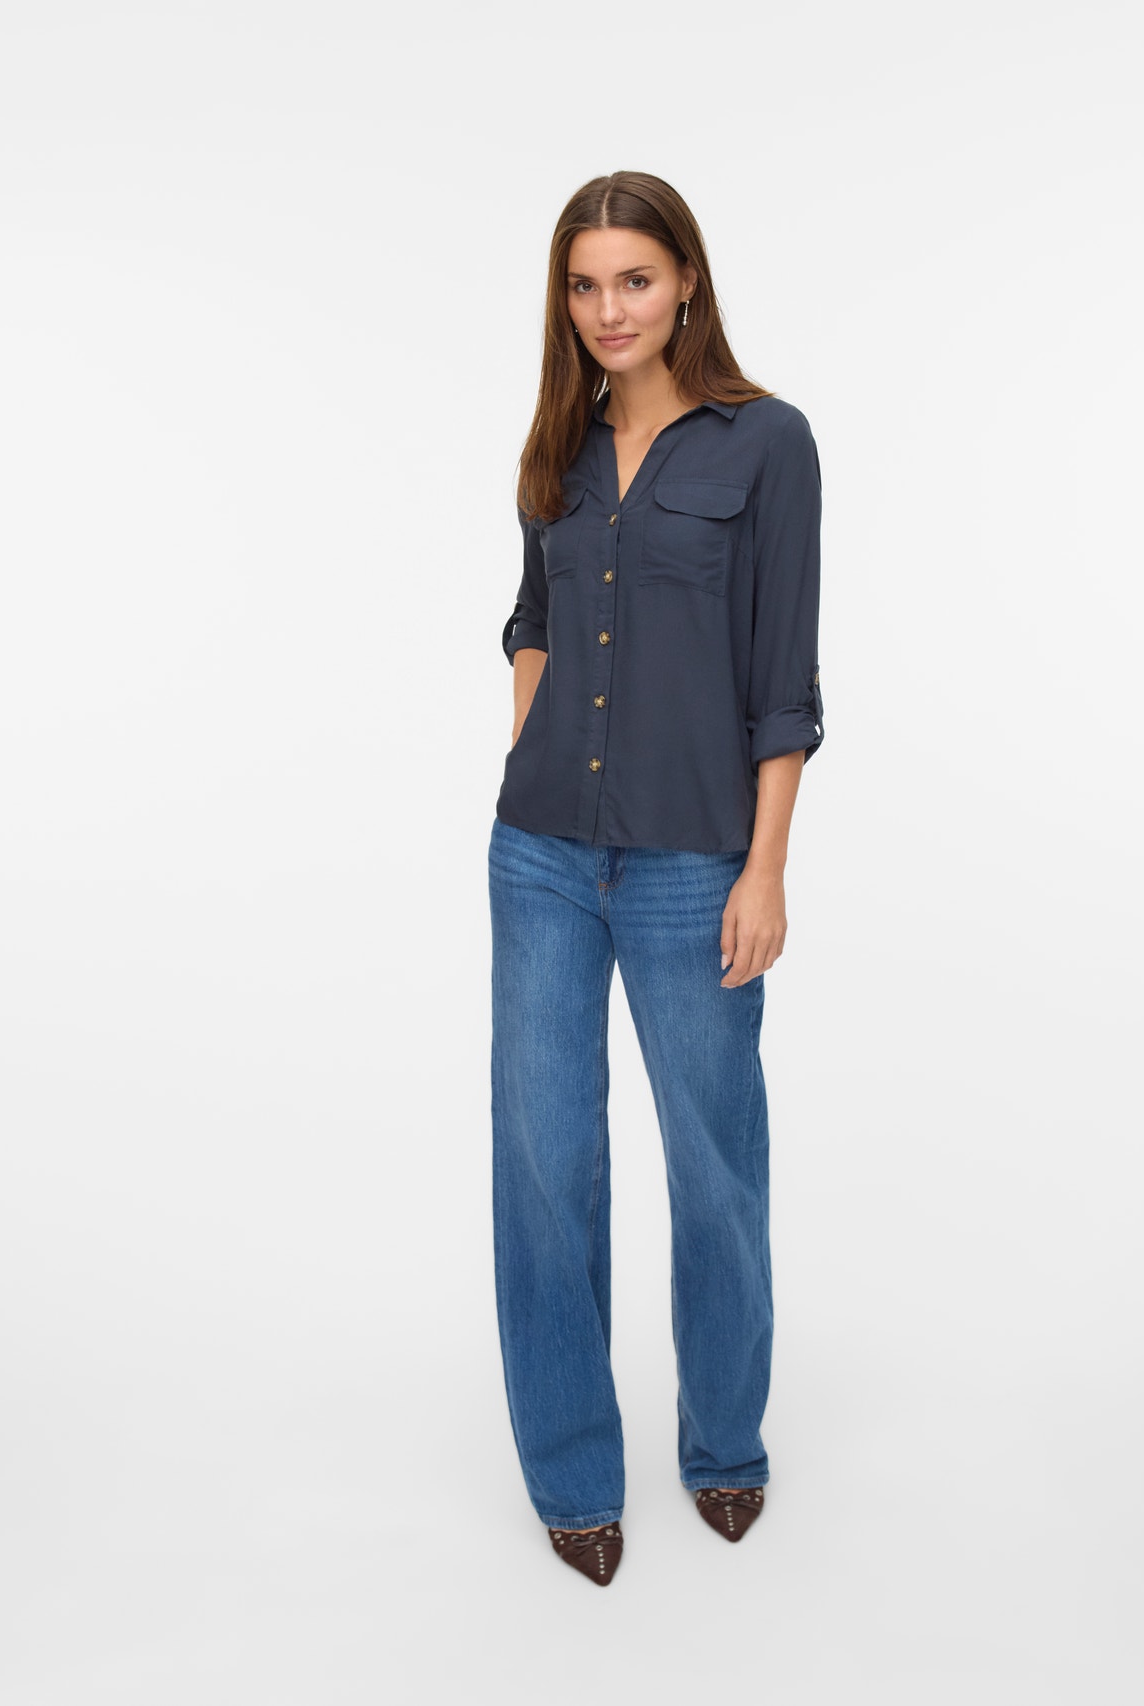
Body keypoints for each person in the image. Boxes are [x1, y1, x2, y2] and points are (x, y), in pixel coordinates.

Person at [488, 170, 825, 1586]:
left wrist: (766, 870)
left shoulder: (768, 444)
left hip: (697, 864)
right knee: (545, 1166)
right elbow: (532, 620)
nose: (608, 309)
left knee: (715, 1163)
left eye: (633, 278)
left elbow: (784, 681)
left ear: (685, 279)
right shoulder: (559, 447)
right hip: (543, 857)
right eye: (584, 285)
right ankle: (573, 1470)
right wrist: (530, 752)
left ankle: (725, 1444)